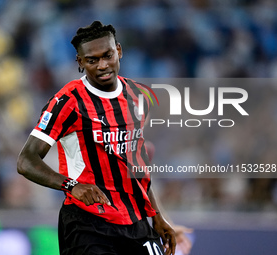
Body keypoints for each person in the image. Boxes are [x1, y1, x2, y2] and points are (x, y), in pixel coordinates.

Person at [17, 20, 191, 255]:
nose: (102, 65)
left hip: (136, 221)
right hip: (87, 224)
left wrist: (158, 217)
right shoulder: (67, 102)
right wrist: (72, 186)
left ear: (118, 51)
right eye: (92, 60)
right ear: (80, 62)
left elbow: (136, 164)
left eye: (107, 55)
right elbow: (26, 160)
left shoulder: (140, 96)